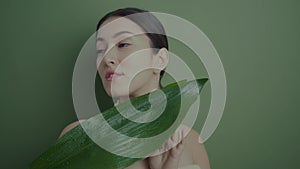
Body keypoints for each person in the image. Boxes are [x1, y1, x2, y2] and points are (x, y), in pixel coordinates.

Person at [60, 7, 210, 169]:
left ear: (160, 60)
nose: (107, 58)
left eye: (123, 44)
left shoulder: (190, 141)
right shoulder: (79, 136)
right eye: (100, 50)